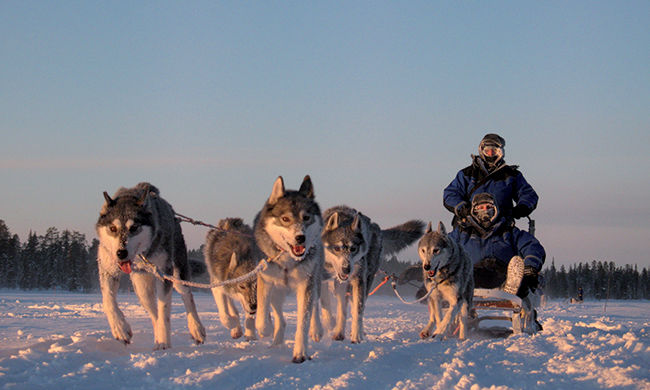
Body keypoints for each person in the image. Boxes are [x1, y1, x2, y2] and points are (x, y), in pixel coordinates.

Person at [449, 192, 545, 332]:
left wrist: (531, 266)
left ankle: (512, 286)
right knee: (460, 271)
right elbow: (443, 244)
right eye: (480, 207)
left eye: (488, 207)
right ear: (473, 210)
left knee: (517, 267)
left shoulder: (508, 231)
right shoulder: (462, 233)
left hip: (503, 274)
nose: (485, 211)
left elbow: (532, 246)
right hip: (472, 275)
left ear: (495, 210)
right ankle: (461, 312)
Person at [444, 133, 538, 228]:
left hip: (501, 227)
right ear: (481, 150)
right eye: (487, 151)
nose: (490, 154)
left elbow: (528, 194)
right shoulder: (467, 174)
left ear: (501, 152)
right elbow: (451, 194)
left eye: (494, 151)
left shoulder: (511, 175)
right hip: (469, 226)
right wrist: (463, 209)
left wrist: (522, 208)